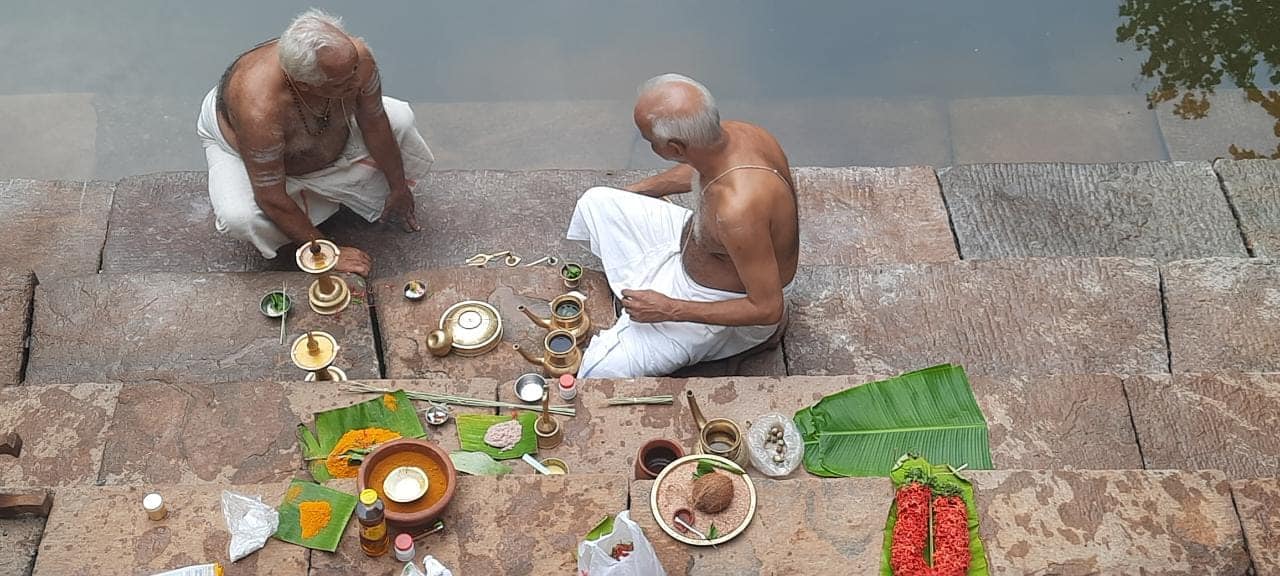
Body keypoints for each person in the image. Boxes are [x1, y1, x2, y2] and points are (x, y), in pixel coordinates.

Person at [567, 73, 798, 377]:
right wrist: (636, 194)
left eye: (649, 140)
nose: (647, 144)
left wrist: (669, 309)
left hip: (721, 300)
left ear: (674, 148)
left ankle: (738, 345)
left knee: (596, 370)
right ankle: (648, 296)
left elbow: (769, 309)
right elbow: (697, 168)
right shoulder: (739, 133)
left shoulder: (737, 213)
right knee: (596, 203)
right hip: (695, 243)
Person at [196, 9, 434, 275]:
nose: (357, 82)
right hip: (248, 149)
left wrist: (398, 186)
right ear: (305, 85)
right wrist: (325, 251)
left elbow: (375, 121)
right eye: (343, 83)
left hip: (319, 136)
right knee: (239, 218)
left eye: (355, 70)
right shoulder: (259, 109)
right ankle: (298, 231)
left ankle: (323, 196)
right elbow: (270, 195)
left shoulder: (358, 58)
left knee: (400, 117)